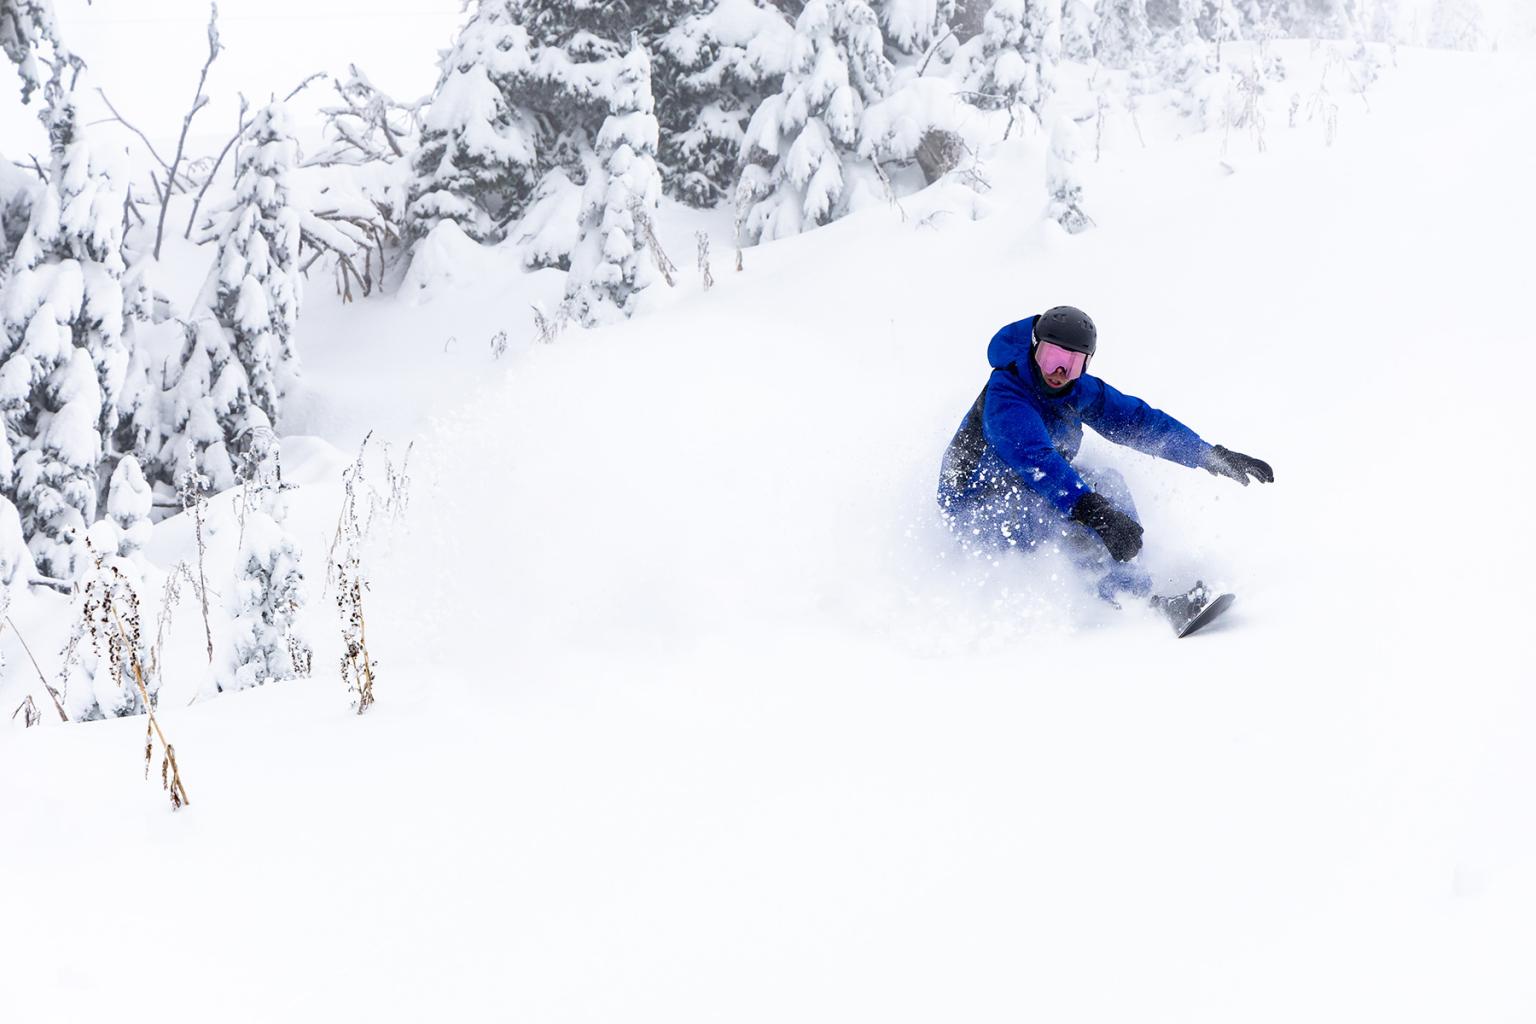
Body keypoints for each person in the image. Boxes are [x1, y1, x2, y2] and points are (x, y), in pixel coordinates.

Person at [937, 306, 1273, 626]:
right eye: (1052, 357)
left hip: (1027, 489)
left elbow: (1139, 423)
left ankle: (1129, 590)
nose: (1058, 372)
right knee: (1072, 515)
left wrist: (1208, 455)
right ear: (1033, 349)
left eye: (1072, 363)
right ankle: (1132, 605)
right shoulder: (1006, 396)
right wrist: (1096, 512)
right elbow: (1037, 461)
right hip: (978, 507)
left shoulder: (1077, 390)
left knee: (1104, 484)